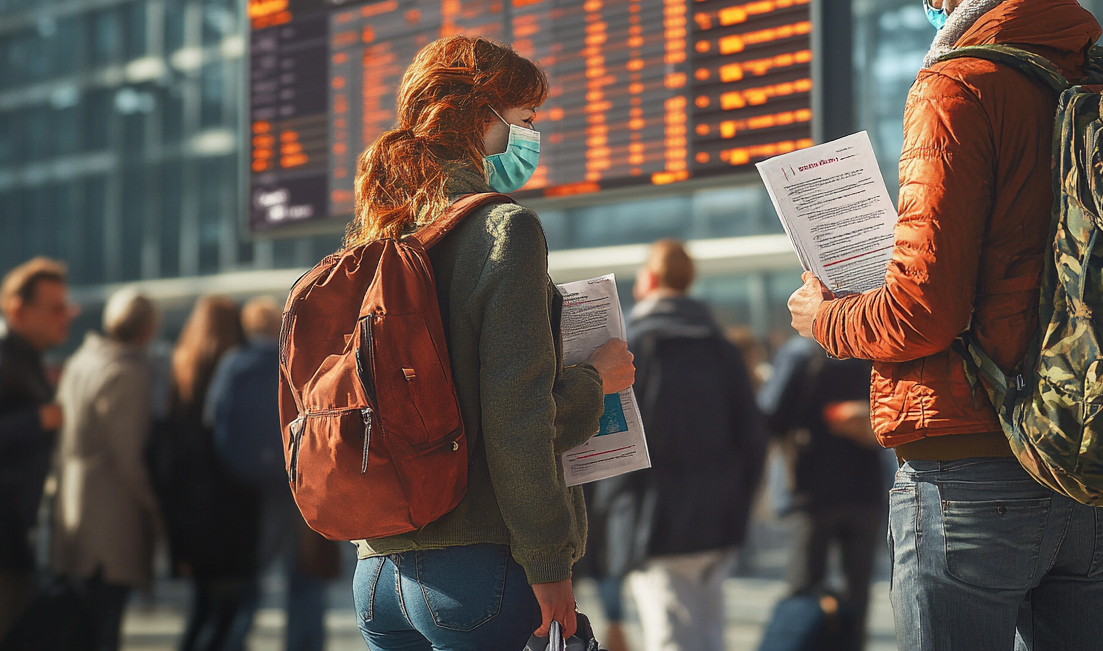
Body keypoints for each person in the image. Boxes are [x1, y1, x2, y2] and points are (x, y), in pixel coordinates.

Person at [786, 0, 1103, 651]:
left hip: (975, 464)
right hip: (1102, 461)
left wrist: (827, 317)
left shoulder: (960, 84)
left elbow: (924, 310)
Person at [345, 35, 633, 651]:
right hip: (481, 567)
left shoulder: (375, 236)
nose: (532, 137)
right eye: (526, 119)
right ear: (479, 116)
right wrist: (596, 382)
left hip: (377, 572)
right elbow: (516, 420)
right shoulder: (505, 229)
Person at [593, 240, 767, 651]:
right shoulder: (722, 348)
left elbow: (614, 443)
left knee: (668, 636)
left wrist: (610, 515)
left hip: (654, 521)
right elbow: (753, 436)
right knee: (709, 633)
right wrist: (737, 502)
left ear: (648, 280)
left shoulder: (630, 350)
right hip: (719, 515)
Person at [205, 296, 333, 651]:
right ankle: (304, 644)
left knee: (251, 576)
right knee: (305, 576)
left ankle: (236, 640)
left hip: (250, 488)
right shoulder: (294, 359)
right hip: (298, 482)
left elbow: (214, 418)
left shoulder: (234, 364)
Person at [49, 287, 161, 651]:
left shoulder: (82, 360)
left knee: (81, 627)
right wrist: (154, 506)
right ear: (147, 329)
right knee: (103, 628)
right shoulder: (129, 371)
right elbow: (129, 457)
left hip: (73, 508)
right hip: (112, 517)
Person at [150, 295, 261, 651]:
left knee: (204, 608)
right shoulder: (237, 368)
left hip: (189, 512)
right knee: (226, 614)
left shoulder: (178, 369)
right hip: (233, 508)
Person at [759, 336, 885, 648]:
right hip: (866, 487)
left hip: (811, 488)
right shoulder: (874, 349)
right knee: (857, 593)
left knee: (804, 590)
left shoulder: (801, 354)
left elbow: (770, 417)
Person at [0, 257, 75, 645]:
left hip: (13, 541)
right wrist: (38, 420)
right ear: (17, 310)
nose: (67, 316)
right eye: (55, 308)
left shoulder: (22, 357)